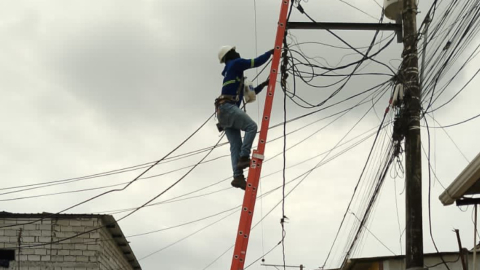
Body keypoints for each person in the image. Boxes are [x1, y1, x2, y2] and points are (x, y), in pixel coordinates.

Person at [215, 45, 273, 190]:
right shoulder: (236, 63)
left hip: (223, 112)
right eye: (234, 51)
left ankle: (237, 177)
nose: (238, 52)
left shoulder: (233, 73)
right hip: (228, 107)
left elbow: (249, 95)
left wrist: (263, 85)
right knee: (251, 127)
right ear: (230, 55)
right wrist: (271, 52)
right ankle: (244, 157)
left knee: (235, 146)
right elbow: (256, 62)